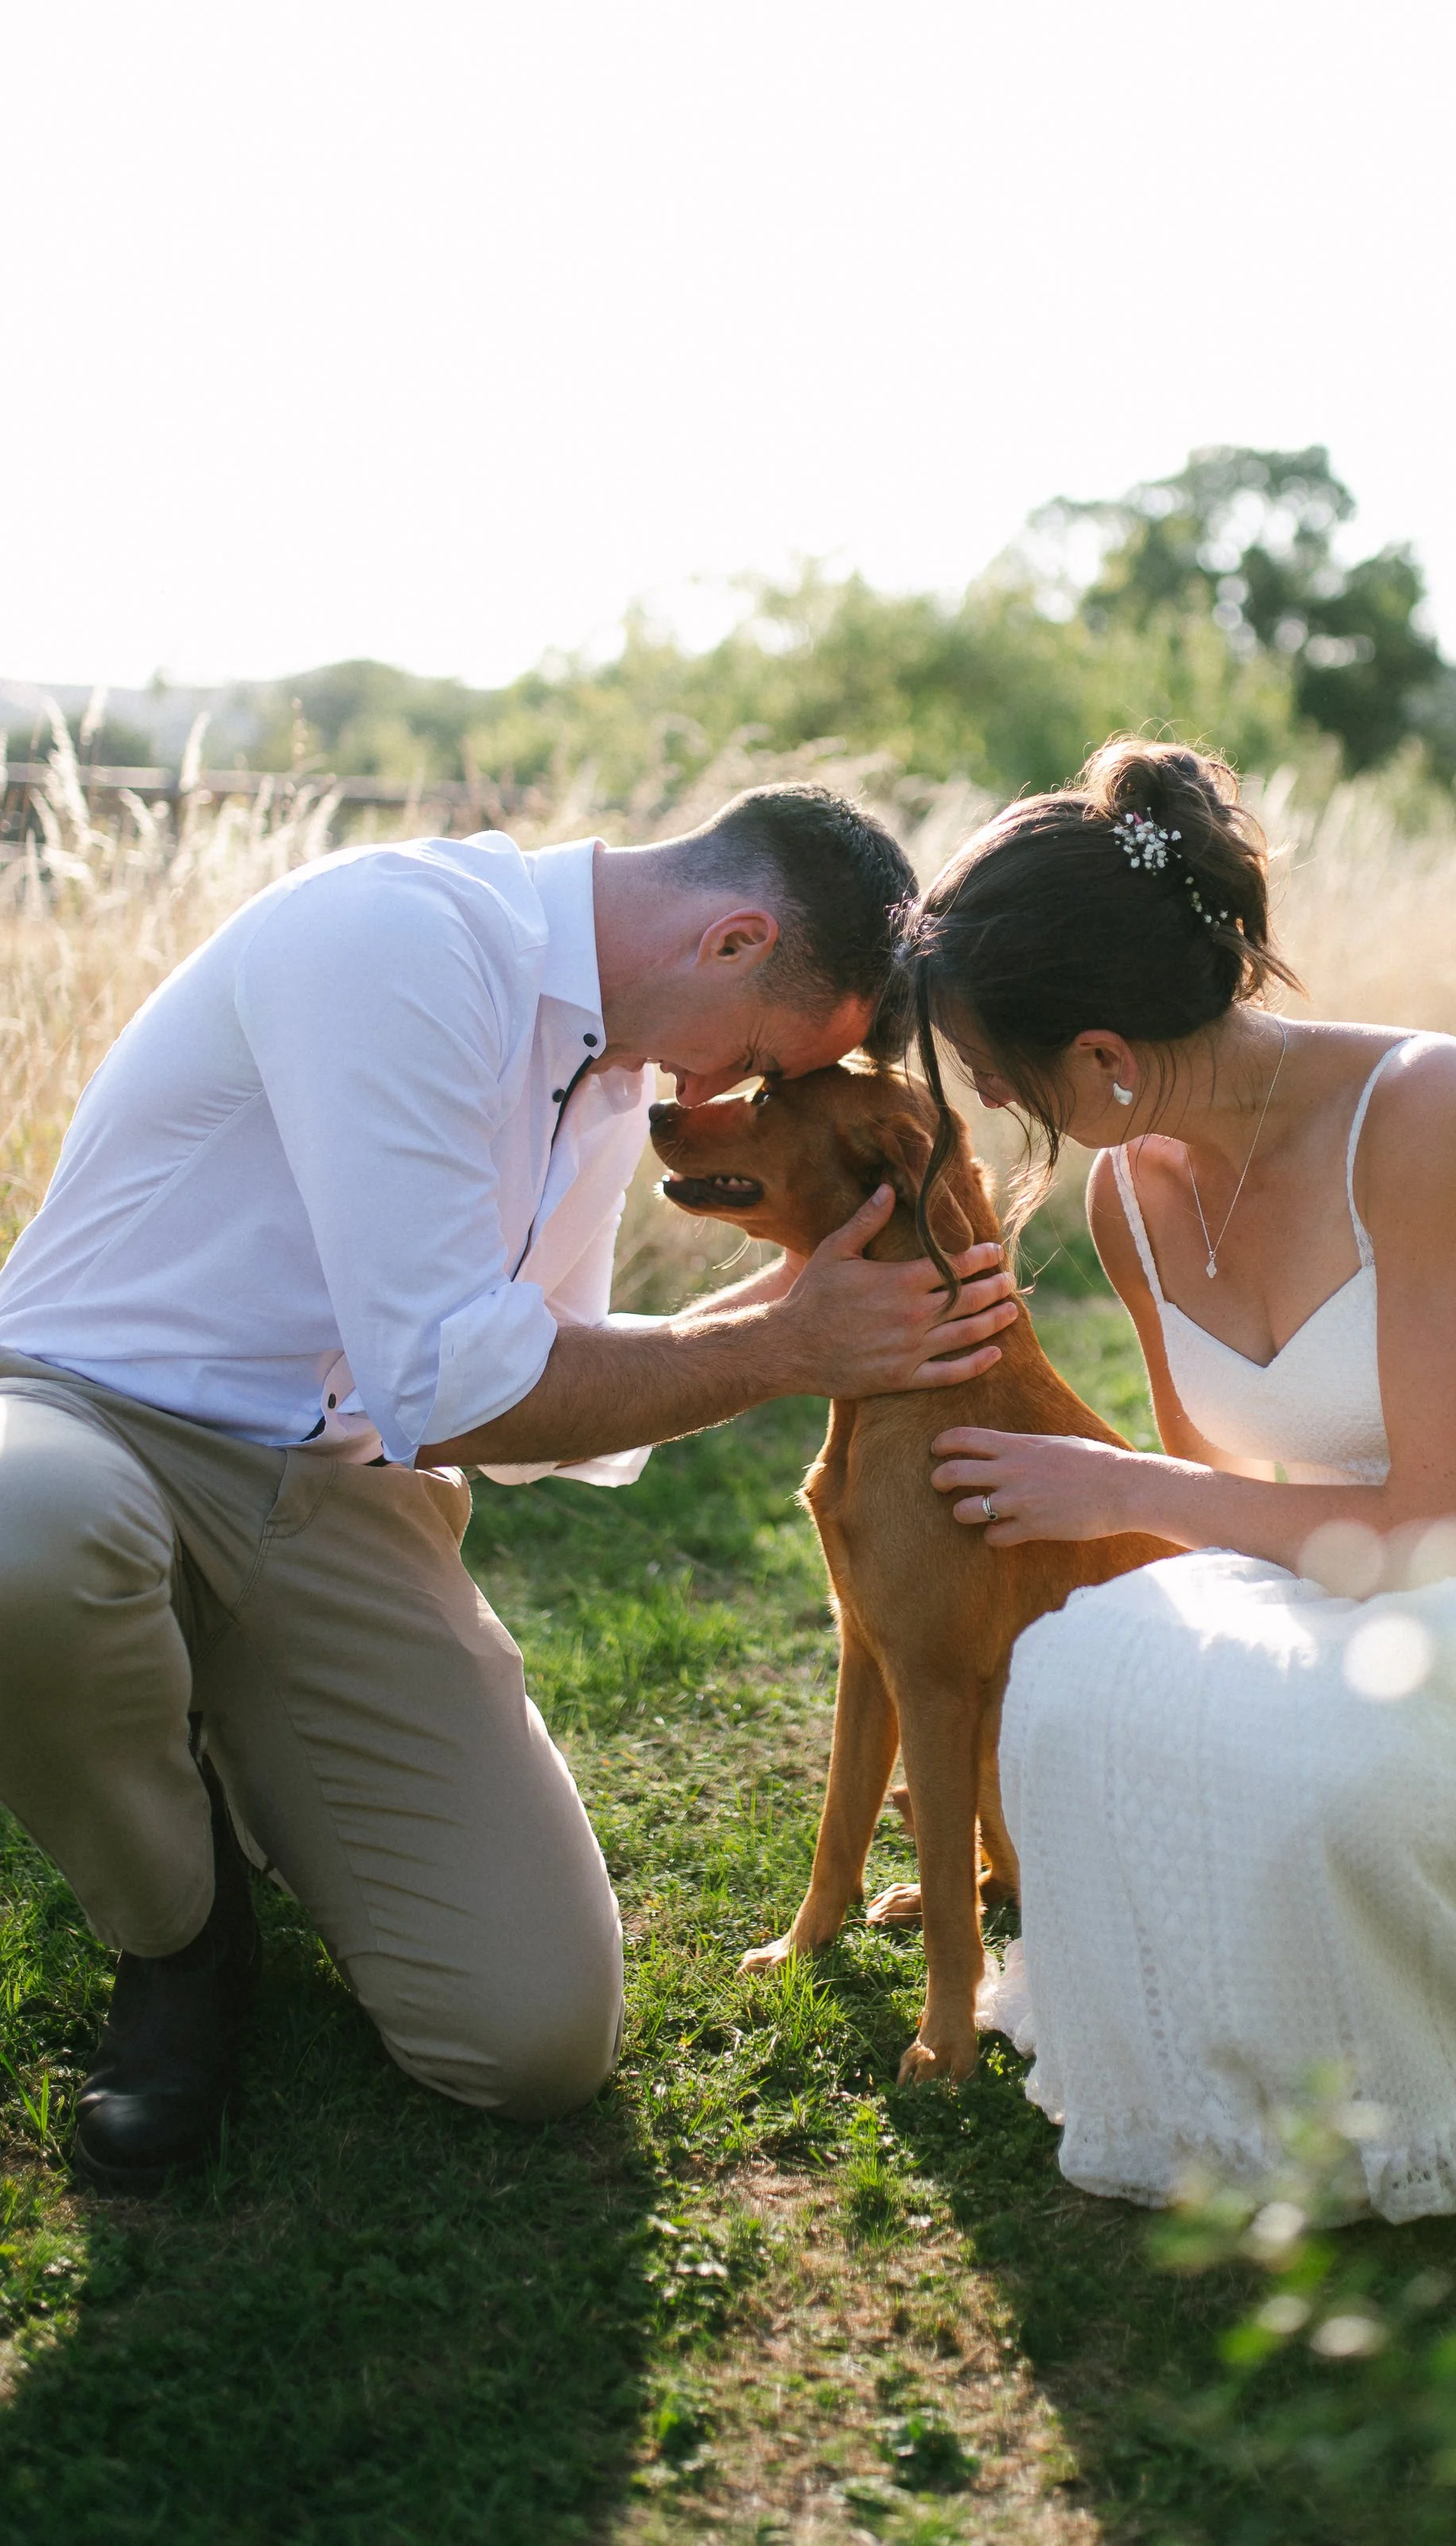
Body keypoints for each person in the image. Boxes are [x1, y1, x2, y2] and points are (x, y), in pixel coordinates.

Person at [0, 786, 1018, 2192]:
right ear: (733, 940)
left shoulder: (607, 1077)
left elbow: (529, 1418)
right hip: (85, 1415)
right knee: (24, 1535)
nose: (721, 1099)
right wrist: (781, 1345)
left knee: (532, 2038)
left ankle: (232, 1726)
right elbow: (455, 1385)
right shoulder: (396, 937)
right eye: (767, 1061)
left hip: (335, 1493)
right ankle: (176, 1928)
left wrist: (784, 1311)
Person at [901, 740, 1456, 2222]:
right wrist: (1135, 1502)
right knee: (1065, 1684)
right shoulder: (1136, 1191)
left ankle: (1446, 2065)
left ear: (1107, 1058)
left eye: (1012, 1081)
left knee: (1338, 1771)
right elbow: (1232, 1500)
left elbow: (1447, 1538)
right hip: (1344, 1579)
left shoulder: (1431, 1109)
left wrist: (1116, 1487)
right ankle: (1253, 2043)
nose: (1013, 1118)